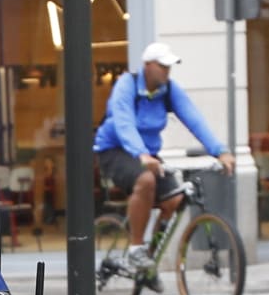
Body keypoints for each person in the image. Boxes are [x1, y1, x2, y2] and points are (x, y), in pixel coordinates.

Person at [92, 42, 229, 276]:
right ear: (147, 66)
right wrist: (141, 154)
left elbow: (193, 118)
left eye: (170, 66)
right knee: (146, 180)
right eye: (162, 66)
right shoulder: (127, 85)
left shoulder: (168, 91)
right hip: (114, 149)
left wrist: (220, 151)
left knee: (173, 201)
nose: (167, 71)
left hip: (146, 153)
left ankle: (148, 266)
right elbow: (123, 123)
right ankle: (136, 247)